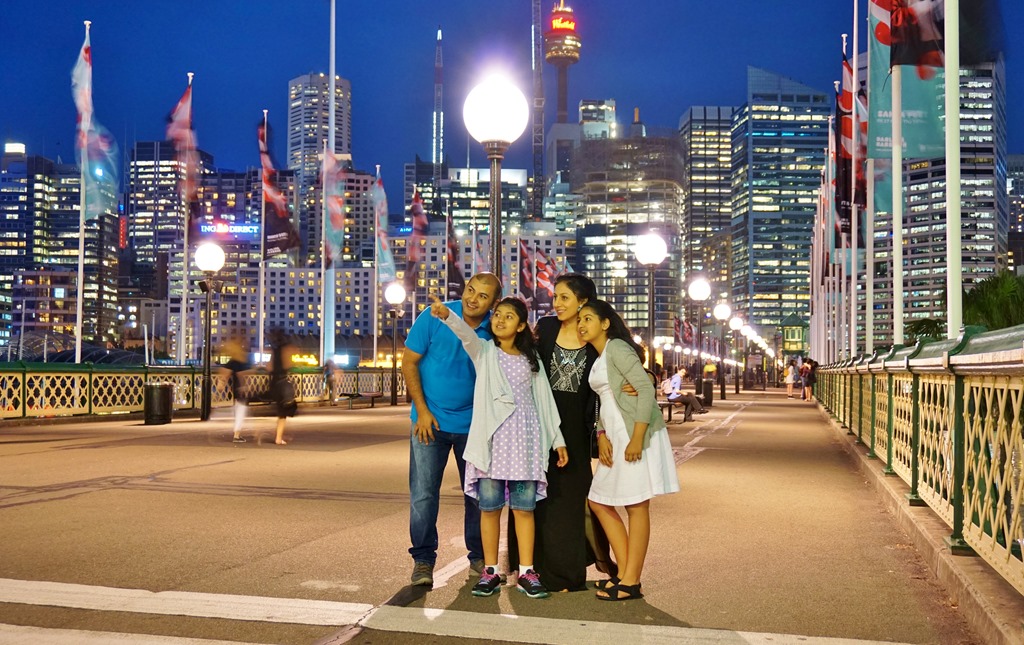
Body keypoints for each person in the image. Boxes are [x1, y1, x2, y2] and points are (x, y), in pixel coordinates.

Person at [429, 295, 567, 599]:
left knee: (524, 510)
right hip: (493, 443)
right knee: (489, 509)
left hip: (525, 443)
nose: (500, 320)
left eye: (508, 316)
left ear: (521, 326)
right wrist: (447, 316)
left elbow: (544, 400)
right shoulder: (486, 352)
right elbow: (466, 335)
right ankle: (490, 571)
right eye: (498, 315)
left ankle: (527, 571)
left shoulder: (532, 359)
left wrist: (557, 439)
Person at [508, 273, 608, 593]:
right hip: (537, 422)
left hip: (576, 430)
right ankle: (530, 568)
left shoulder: (593, 333)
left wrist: (603, 431)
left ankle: (565, 574)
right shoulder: (547, 327)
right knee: (536, 498)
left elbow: (611, 379)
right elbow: (522, 360)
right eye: (555, 297)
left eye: (565, 297)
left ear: (583, 301)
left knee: (568, 501)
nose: (557, 303)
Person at [402, 273, 502, 587]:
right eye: (471, 290)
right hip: (429, 422)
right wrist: (422, 411)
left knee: (476, 496)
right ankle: (423, 560)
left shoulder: (495, 329)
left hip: (474, 426)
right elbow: (409, 362)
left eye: (483, 296)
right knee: (423, 495)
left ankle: (479, 557)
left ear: (493, 303)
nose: (473, 299)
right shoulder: (435, 316)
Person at [578, 300, 680, 601]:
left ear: (605, 323)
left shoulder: (618, 348)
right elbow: (605, 402)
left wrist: (636, 438)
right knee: (599, 500)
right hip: (616, 434)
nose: (582, 324)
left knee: (636, 505)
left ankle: (631, 581)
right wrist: (601, 434)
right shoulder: (600, 355)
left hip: (635, 433)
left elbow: (646, 390)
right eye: (580, 320)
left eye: (588, 319)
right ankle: (625, 573)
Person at [268, 330, 297, 445]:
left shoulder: (275, 350)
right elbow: (288, 365)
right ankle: (278, 437)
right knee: (284, 412)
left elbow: (269, 367)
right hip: (282, 383)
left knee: (280, 411)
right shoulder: (286, 349)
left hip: (273, 383)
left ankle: (278, 435)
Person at [222, 335, 251, 442]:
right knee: (240, 412)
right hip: (240, 389)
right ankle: (237, 435)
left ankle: (237, 434)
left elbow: (225, 372)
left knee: (239, 411)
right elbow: (240, 374)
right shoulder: (239, 361)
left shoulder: (233, 361)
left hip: (235, 388)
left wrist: (222, 383)